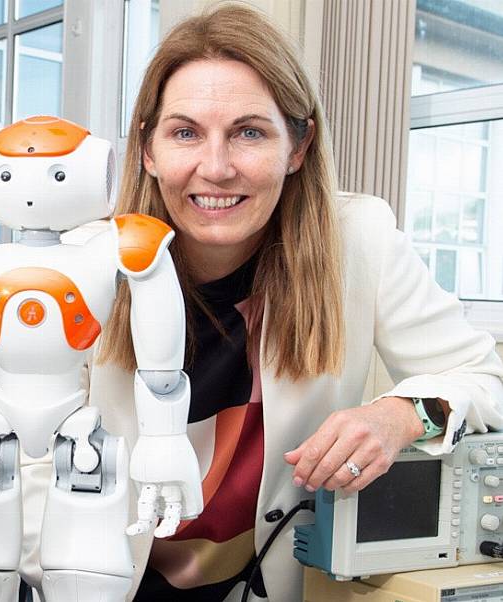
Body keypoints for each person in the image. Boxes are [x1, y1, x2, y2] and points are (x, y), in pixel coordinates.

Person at [91, 4, 503, 601]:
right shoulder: (86, 264)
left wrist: (400, 416)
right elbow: (28, 462)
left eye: (249, 132)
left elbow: (487, 378)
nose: (216, 167)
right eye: (185, 132)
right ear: (148, 150)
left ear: (298, 145)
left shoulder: (360, 240)